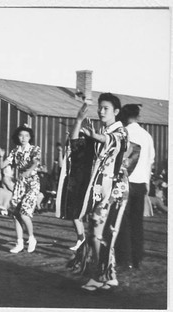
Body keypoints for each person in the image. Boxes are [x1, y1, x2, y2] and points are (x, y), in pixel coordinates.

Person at [66, 93, 130, 291]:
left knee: (96, 232)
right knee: (97, 233)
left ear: (116, 112)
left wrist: (95, 136)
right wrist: (78, 120)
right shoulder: (102, 130)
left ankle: (98, 275)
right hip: (99, 188)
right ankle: (108, 276)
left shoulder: (121, 132)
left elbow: (110, 140)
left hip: (114, 189)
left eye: (106, 108)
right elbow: (76, 145)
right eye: (100, 108)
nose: (101, 111)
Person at [115, 104, 155, 270]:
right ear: (138, 116)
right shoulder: (147, 136)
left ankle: (125, 258)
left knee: (123, 221)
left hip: (126, 182)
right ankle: (137, 257)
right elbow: (150, 161)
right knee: (137, 222)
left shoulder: (124, 133)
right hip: (141, 183)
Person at [56, 102, 95, 251]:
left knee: (79, 213)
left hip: (85, 181)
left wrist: (79, 121)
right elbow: (72, 141)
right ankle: (82, 238)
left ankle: (86, 239)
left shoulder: (89, 146)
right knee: (74, 213)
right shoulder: (77, 147)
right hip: (75, 180)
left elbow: (74, 140)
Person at [0, 125, 41, 254]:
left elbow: (36, 162)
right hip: (20, 183)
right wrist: (1, 156)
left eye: (26, 136)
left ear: (30, 137)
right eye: (21, 135)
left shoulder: (34, 149)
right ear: (17, 137)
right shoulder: (14, 151)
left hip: (32, 182)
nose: (23, 138)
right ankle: (19, 242)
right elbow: (2, 165)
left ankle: (32, 238)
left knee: (24, 212)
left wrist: (28, 171)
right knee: (16, 214)